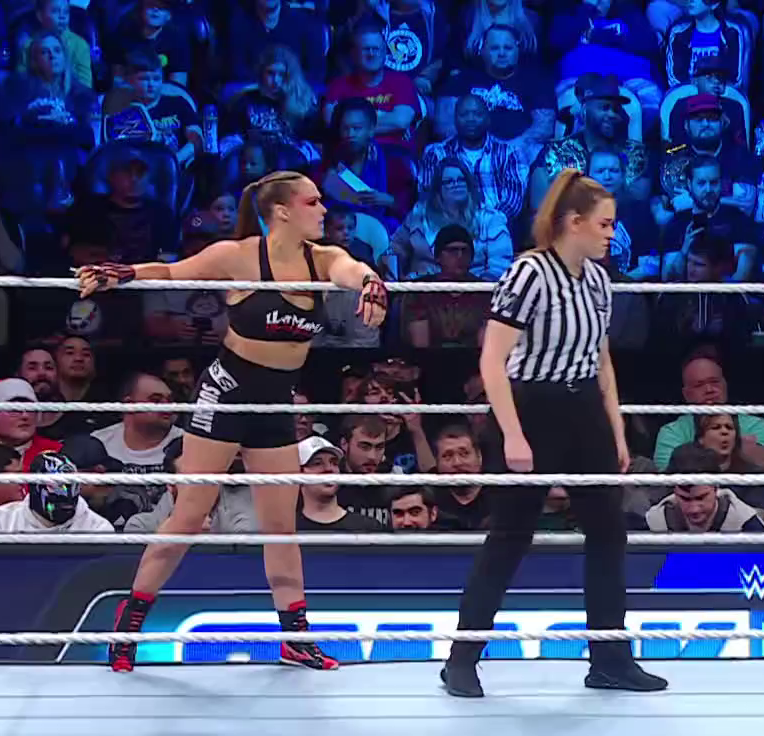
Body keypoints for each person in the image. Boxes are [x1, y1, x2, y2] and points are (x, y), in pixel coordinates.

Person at [75, 171, 389, 673]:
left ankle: (295, 637)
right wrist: (122, 273)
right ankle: (128, 627)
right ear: (282, 211)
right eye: (313, 202)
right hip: (226, 392)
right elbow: (172, 273)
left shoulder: (323, 258)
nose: (324, 209)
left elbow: (353, 270)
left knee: (281, 526)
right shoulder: (238, 256)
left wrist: (373, 286)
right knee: (189, 515)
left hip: (275, 402)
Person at [443, 169, 665, 699]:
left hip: (584, 405)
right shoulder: (529, 273)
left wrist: (616, 430)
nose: (611, 234)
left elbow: (602, 360)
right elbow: (492, 360)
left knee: (608, 531)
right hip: (532, 406)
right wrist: (513, 435)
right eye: (604, 224)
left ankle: (610, 659)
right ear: (573, 222)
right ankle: (461, 660)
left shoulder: (598, 280)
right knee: (510, 535)